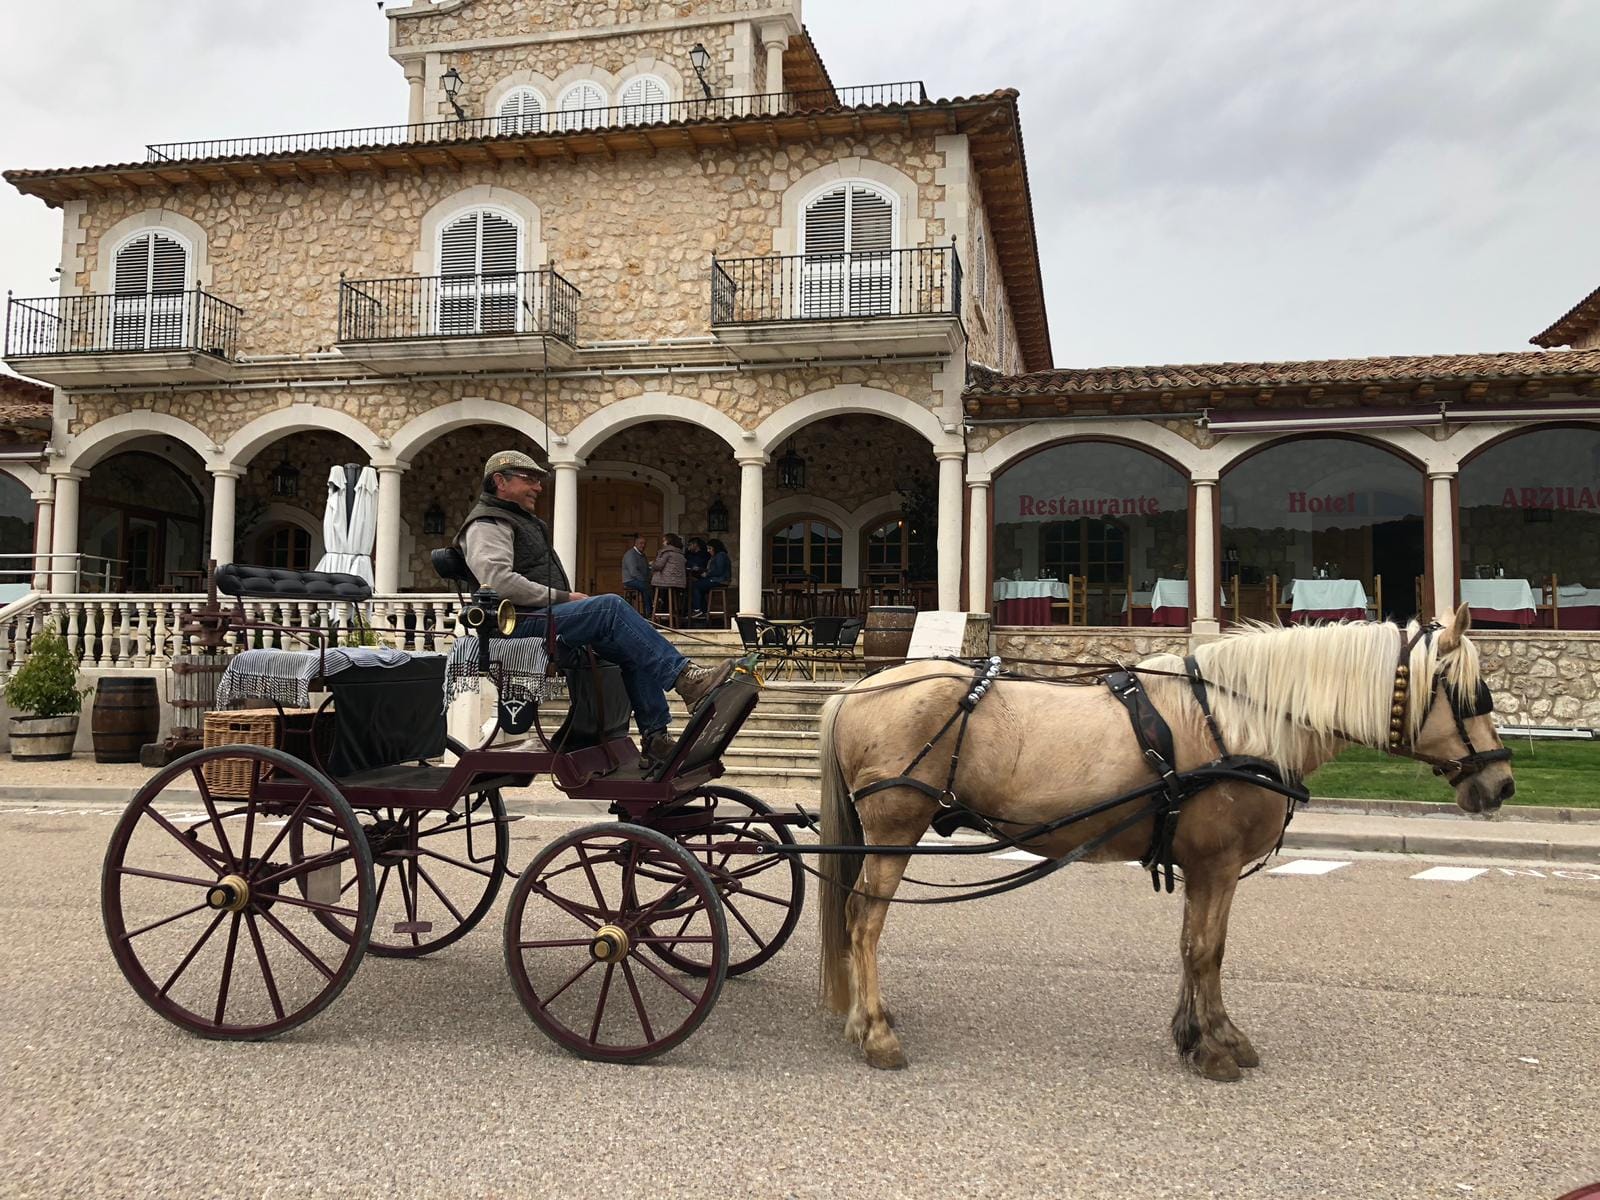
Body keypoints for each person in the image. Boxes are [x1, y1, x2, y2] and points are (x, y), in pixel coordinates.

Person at [457, 451, 734, 762]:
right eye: (529, 480)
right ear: (500, 482)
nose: (538, 486)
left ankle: (655, 737)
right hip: (516, 626)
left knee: (633, 648)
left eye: (538, 480)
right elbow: (497, 580)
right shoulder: (488, 523)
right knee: (609, 606)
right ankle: (686, 680)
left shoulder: (521, 520)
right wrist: (563, 597)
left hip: (542, 619)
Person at [691, 538, 732, 617]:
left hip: (720, 580)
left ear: (715, 548)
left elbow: (719, 571)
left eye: (710, 548)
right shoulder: (717, 556)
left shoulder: (720, 555)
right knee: (699, 587)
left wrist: (707, 574)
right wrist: (700, 569)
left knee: (695, 586)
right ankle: (704, 610)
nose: (708, 551)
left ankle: (698, 609)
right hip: (717, 579)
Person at [621, 533, 651, 607]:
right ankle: (650, 611)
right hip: (630, 580)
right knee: (646, 587)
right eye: (641, 543)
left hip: (640, 579)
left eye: (644, 544)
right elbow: (633, 572)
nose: (643, 546)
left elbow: (646, 569)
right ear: (636, 544)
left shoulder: (642, 555)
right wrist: (644, 580)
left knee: (652, 586)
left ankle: (654, 607)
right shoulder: (630, 555)